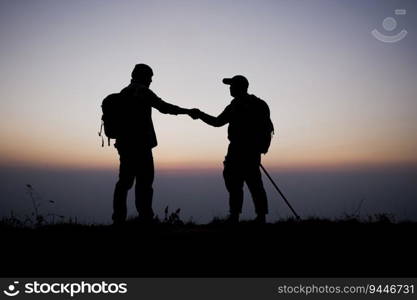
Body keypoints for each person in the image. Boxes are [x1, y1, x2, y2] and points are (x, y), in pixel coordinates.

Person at [112, 63, 195, 224]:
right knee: (144, 183)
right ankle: (145, 218)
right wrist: (187, 111)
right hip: (141, 146)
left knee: (124, 182)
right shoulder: (142, 91)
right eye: (149, 77)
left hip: (125, 145)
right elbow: (164, 107)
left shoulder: (123, 92)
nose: (151, 81)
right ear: (143, 76)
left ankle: (118, 219)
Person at [190, 75, 272, 224]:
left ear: (239, 87)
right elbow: (267, 128)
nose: (230, 88)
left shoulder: (236, 105)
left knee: (236, 184)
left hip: (237, 150)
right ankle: (260, 217)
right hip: (252, 151)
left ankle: (235, 216)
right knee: (254, 184)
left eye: (232, 86)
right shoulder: (258, 104)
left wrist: (200, 115)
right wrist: (259, 147)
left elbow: (217, 122)